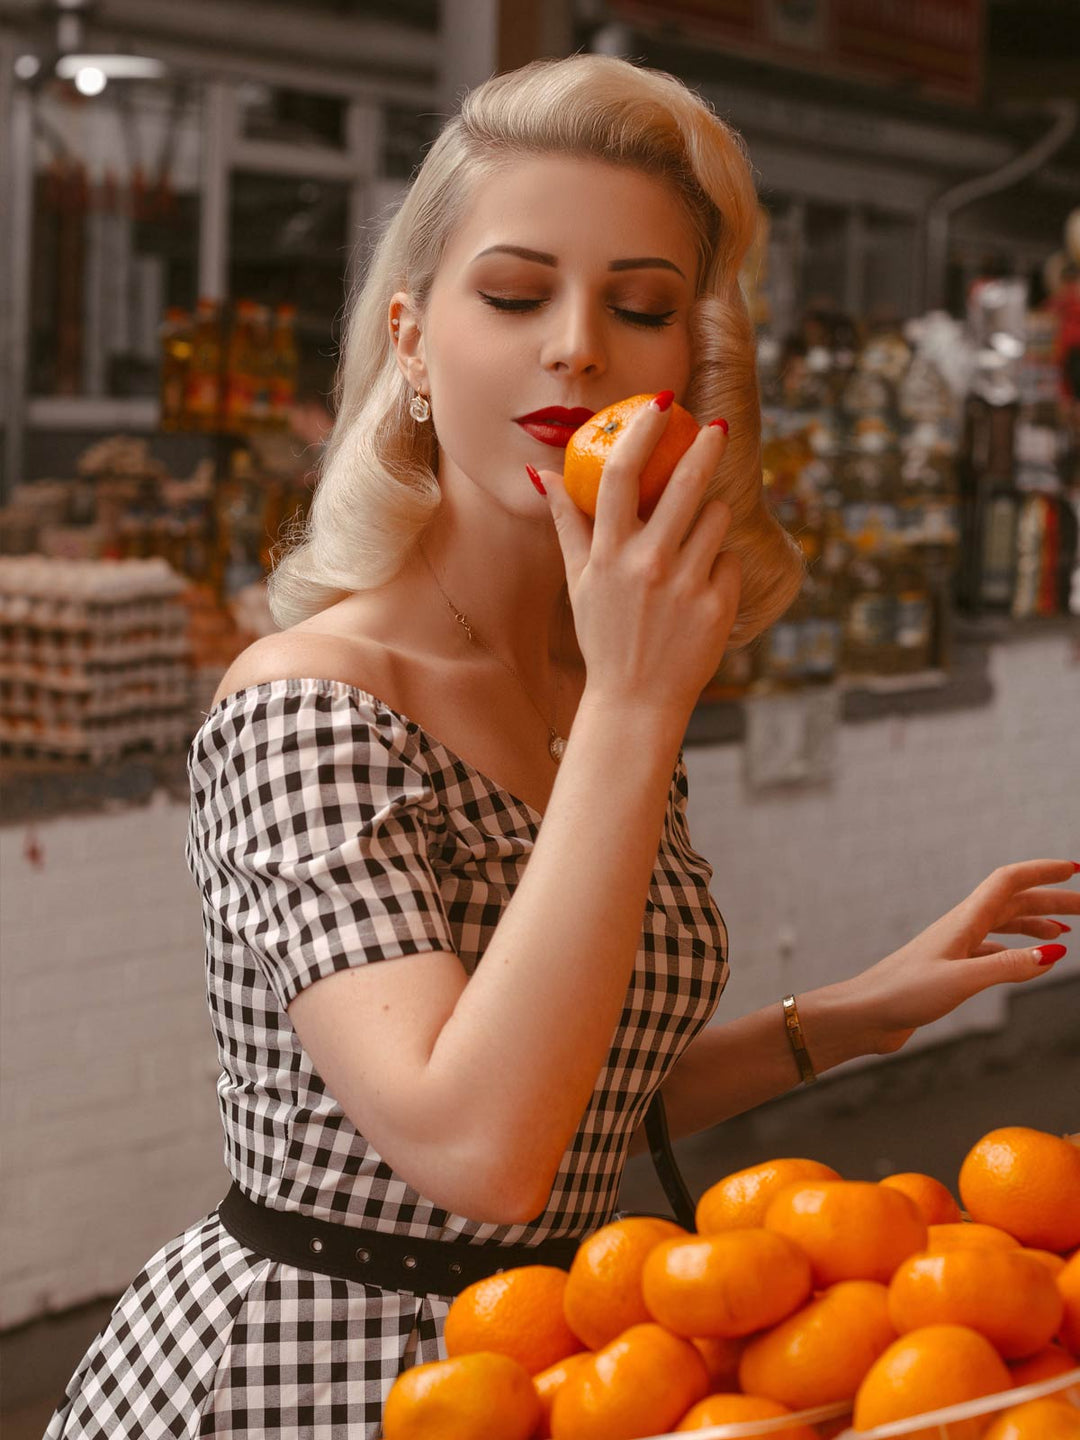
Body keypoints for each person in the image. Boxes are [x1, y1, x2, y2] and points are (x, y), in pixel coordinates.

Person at [46, 54, 1077, 1440]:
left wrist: (857, 1014)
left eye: (639, 307)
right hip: (319, 1373)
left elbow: (577, 1079)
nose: (577, 346)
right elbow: (478, 1148)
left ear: (683, 377)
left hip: (562, 1360)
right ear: (412, 340)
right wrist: (640, 713)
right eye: (515, 294)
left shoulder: (579, 692)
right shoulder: (311, 706)